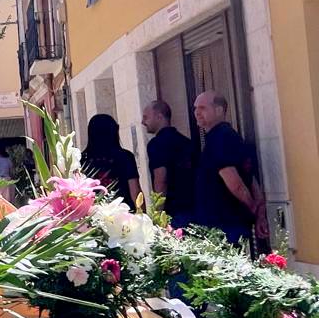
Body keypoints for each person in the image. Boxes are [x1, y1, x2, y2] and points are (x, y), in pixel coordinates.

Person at [192, 91, 257, 246]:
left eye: (202, 108)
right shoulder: (223, 136)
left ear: (219, 110)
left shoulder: (221, 138)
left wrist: (253, 209)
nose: (197, 113)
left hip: (225, 224)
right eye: (195, 108)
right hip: (224, 223)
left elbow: (235, 183)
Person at [141, 99, 195, 229]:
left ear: (159, 117)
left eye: (146, 117)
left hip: (172, 212)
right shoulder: (187, 142)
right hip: (193, 207)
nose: (143, 122)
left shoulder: (156, 144)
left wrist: (158, 214)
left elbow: (161, 179)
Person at [81, 113, 141, 207]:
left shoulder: (82, 160)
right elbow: (135, 192)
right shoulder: (125, 157)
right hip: (125, 214)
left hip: (93, 216)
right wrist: (142, 216)